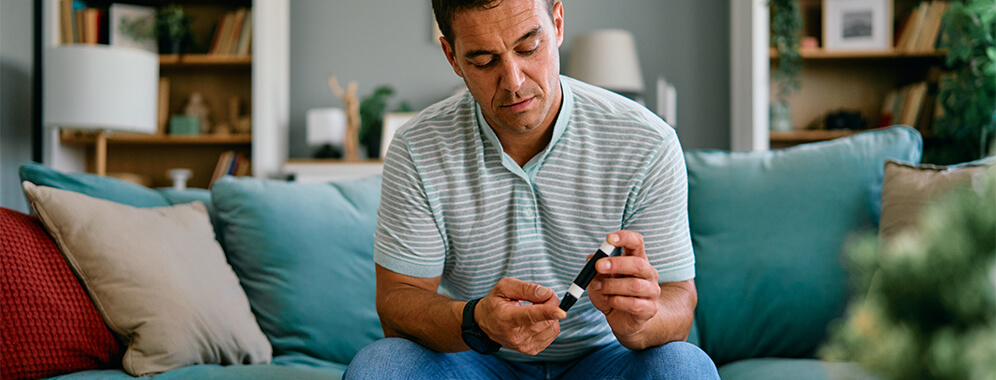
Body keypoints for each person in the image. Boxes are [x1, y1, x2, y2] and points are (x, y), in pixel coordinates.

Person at [345, 0, 719, 378]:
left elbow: (679, 302)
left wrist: (641, 321)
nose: (514, 81)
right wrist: (477, 321)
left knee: (685, 367)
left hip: (604, 359)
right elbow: (396, 304)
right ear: (452, 57)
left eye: (528, 47)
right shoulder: (418, 147)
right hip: (476, 360)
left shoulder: (647, 142)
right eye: (483, 61)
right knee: (381, 367)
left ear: (557, 23)